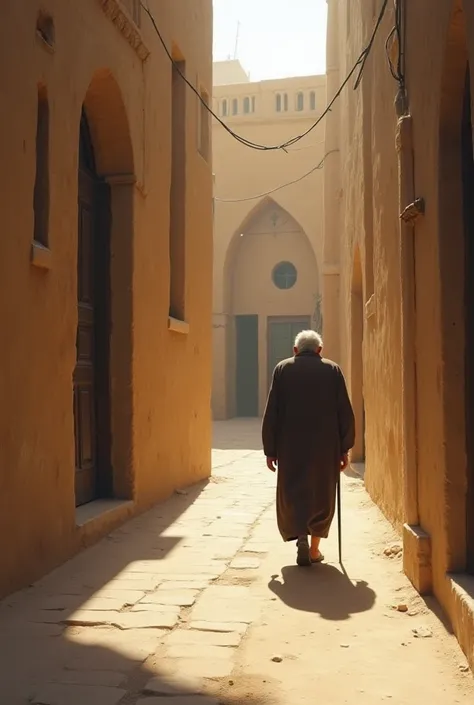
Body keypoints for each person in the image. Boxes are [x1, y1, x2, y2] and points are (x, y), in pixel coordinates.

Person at [262, 329, 355, 567]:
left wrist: (270, 449)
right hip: (325, 447)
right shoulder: (332, 370)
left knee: (294, 491)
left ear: (295, 351)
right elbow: (344, 411)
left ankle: (300, 537)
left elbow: (272, 411)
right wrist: (344, 448)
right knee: (321, 493)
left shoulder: (283, 369)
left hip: (290, 446)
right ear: (319, 350)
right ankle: (314, 550)